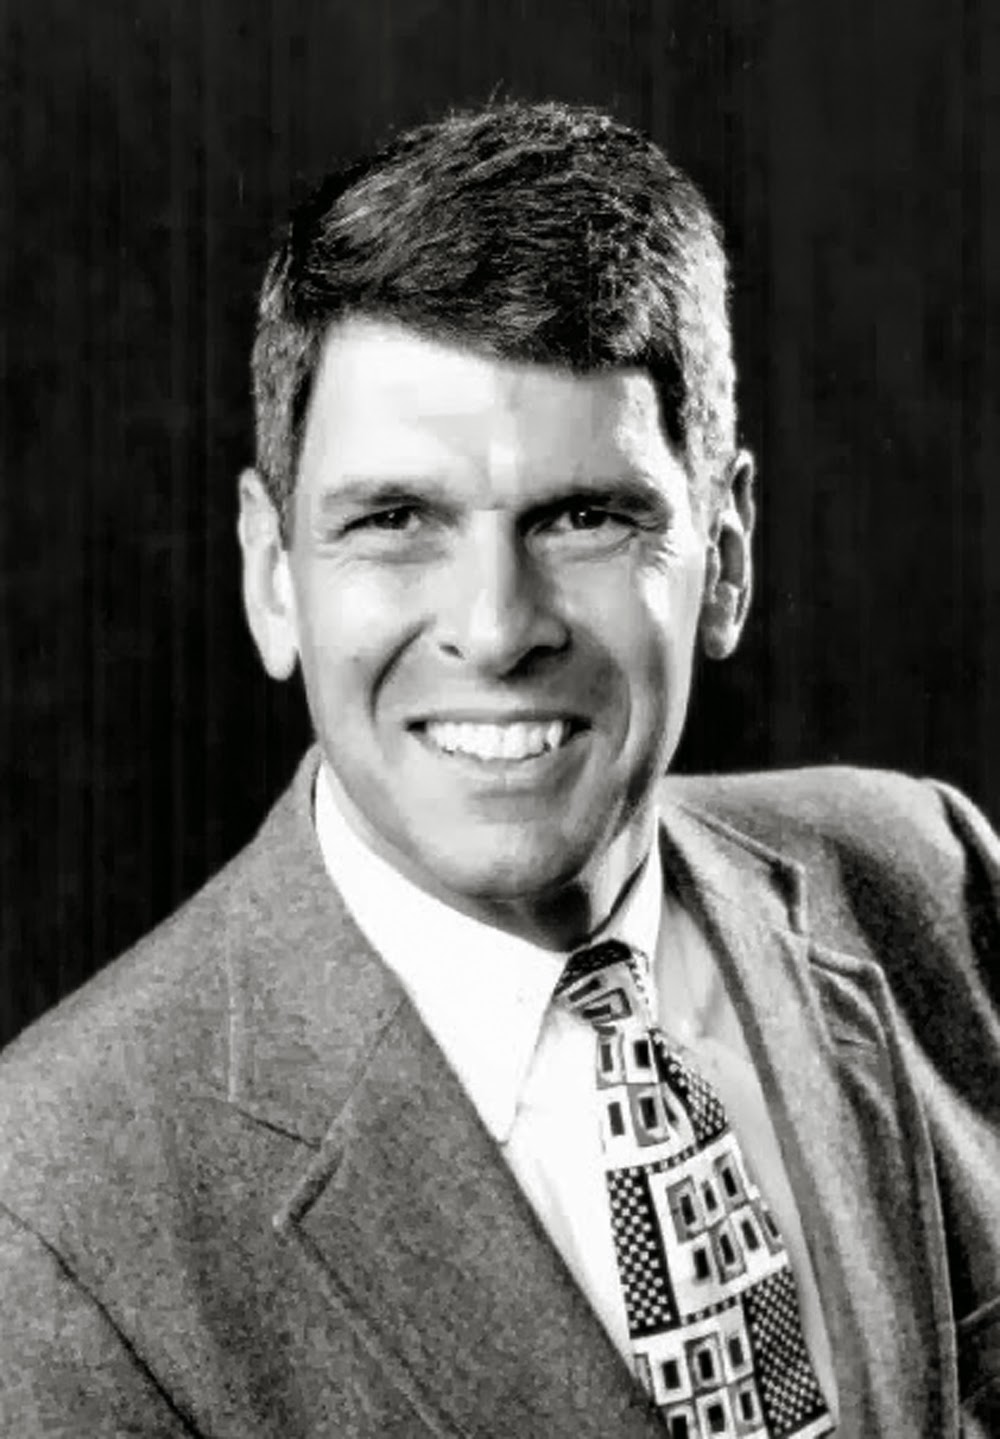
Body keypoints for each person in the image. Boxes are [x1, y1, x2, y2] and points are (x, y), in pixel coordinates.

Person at [0, 101, 997, 1439]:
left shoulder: (928, 884)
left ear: (726, 556)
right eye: (394, 519)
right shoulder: (52, 1221)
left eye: (584, 516)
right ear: (273, 575)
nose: (495, 626)